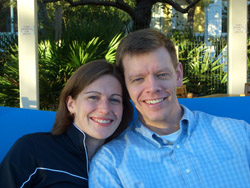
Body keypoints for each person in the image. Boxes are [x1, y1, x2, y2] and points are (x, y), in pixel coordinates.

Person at [89, 29, 250, 188]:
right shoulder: (111, 164)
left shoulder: (240, 135)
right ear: (125, 86)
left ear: (178, 75)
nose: (152, 88)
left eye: (161, 75)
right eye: (138, 79)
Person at [0, 60, 133, 188]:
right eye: (93, 97)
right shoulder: (33, 149)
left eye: (115, 100)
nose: (105, 109)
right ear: (71, 104)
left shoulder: (128, 162)